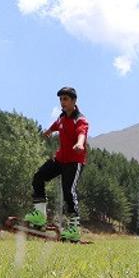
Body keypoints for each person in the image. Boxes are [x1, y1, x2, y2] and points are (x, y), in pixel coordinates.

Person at [24, 86, 89, 242]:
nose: (62, 102)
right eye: (60, 99)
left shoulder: (80, 119)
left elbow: (82, 133)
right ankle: (39, 216)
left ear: (74, 101)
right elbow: (56, 125)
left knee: (68, 191)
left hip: (74, 162)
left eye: (65, 99)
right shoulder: (61, 118)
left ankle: (74, 229)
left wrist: (80, 144)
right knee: (38, 177)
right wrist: (48, 131)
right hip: (60, 160)